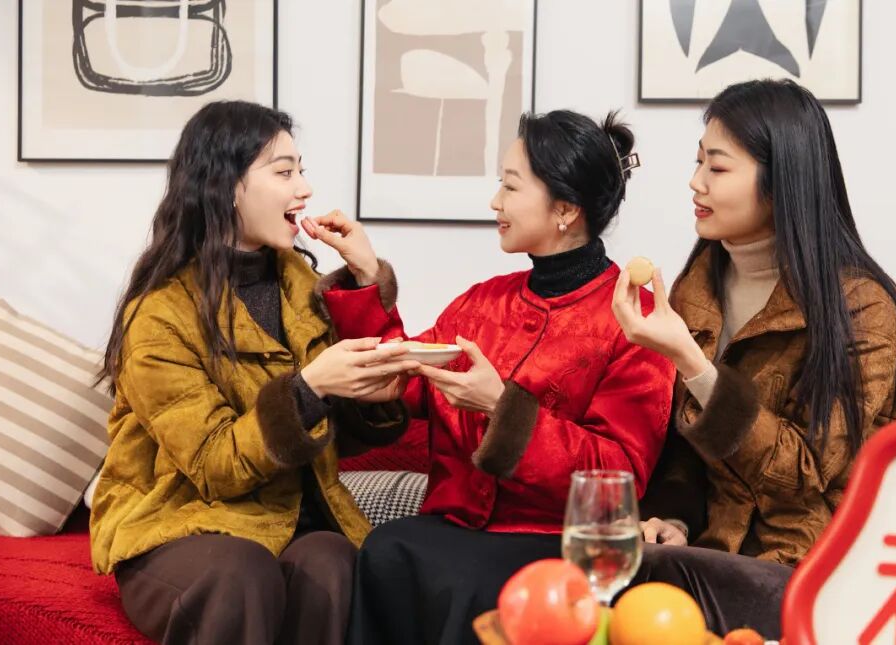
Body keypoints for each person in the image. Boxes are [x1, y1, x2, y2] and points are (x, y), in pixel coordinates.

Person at [311, 110, 675, 645]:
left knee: (465, 579)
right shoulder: (484, 302)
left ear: (565, 209)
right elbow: (407, 371)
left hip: (556, 545)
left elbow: (617, 477)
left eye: (510, 186)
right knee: (388, 550)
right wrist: (366, 273)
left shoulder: (633, 320)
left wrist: (501, 408)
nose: (494, 202)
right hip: (451, 526)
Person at [90, 101, 415, 645]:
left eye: (301, 170)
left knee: (334, 558)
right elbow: (214, 463)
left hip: (291, 520)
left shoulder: (304, 289)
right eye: (284, 173)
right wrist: (310, 388)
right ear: (226, 187)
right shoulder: (159, 315)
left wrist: (364, 281)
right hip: (178, 525)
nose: (305, 189)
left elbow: (346, 437)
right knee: (242, 571)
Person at [612, 79, 896, 638]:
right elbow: (683, 448)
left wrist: (694, 365)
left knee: (637, 581)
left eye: (717, 167)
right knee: (613, 559)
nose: (696, 181)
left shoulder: (862, 307)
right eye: (698, 161)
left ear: (781, 184)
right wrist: (675, 519)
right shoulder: (697, 285)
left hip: (813, 566)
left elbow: (803, 475)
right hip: (711, 554)